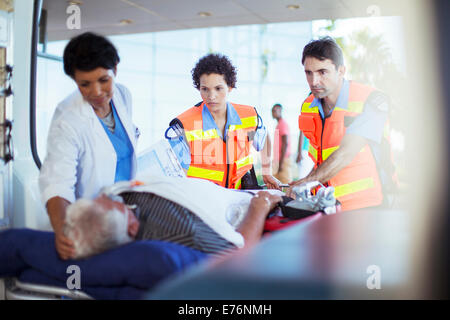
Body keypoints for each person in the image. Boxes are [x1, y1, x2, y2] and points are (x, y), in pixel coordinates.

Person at [39, 32, 140, 260]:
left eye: (104, 80)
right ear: (74, 80)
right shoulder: (68, 119)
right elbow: (57, 184)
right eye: (85, 84)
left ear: (115, 68)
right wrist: (64, 231)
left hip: (123, 212)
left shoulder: (123, 95)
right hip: (89, 222)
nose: (96, 92)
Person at [288, 37, 396, 211]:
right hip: (326, 205)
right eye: (308, 72)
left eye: (322, 72)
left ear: (341, 71)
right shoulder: (308, 106)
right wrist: (298, 185)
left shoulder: (372, 100)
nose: (314, 81)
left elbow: (346, 153)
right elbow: (320, 161)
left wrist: (305, 182)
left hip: (367, 206)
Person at [64, 175, 282, 259]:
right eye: (112, 204)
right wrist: (260, 205)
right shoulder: (184, 231)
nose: (108, 198)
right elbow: (239, 252)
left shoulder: (117, 200)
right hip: (247, 203)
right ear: (131, 229)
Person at [166, 53, 280, 190]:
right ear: (198, 88)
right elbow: (177, 176)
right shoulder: (185, 126)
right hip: (200, 202)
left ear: (230, 87)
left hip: (239, 199)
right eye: (205, 89)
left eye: (218, 88)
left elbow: (263, 139)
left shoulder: (248, 118)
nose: (211, 96)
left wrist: (267, 172)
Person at [271, 103, 292, 183]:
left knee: (286, 185)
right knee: (276, 185)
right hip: (278, 160)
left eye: (275, 111)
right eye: (272, 111)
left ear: (280, 111)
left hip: (283, 160)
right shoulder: (279, 124)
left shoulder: (283, 124)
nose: (273, 113)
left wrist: (281, 163)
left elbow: (285, 143)